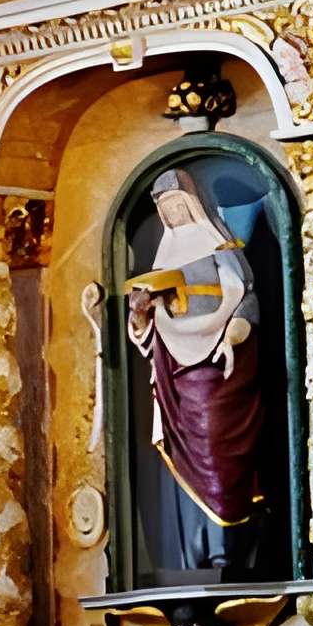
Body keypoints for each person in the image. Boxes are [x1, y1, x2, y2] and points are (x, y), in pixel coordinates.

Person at [123, 167, 266, 579]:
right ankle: (195, 552)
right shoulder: (164, 257)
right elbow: (150, 340)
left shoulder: (219, 246)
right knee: (181, 464)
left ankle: (229, 553)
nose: (173, 217)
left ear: (194, 205)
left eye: (178, 207)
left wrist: (234, 333)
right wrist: (140, 315)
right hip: (177, 378)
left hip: (220, 375)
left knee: (221, 460)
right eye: (166, 211)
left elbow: (245, 299)